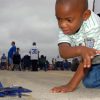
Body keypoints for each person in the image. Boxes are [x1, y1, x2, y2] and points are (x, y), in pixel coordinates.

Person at [51, 0, 100, 93]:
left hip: (96, 53)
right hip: (95, 57)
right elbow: (63, 51)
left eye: (68, 20)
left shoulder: (93, 26)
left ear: (85, 15)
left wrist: (70, 85)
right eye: (58, 19)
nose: (62, 24)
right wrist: (80, 50)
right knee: (89, 82)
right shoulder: (65, 26)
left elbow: (88, 57)